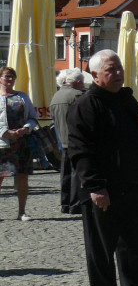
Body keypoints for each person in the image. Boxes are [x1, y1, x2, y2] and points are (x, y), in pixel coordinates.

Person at [66, 50, 138, 286]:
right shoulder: (86, 105)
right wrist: (95, 186)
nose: (118, 73)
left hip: (133, 186)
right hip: (103, 189)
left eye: (119, 68)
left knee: (136, 245)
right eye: (111, 70)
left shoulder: (126, 99)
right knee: (101, 248)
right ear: (96, 75)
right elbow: (80, 151)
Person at [0, 66, 39, 221]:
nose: (9, 79)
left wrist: (25, 128)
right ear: (0, 78)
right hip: (3, 143)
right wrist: (5, 132)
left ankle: (22, 212)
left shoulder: (22, 96)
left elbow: (32, 116)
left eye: (12, 76)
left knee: (22, 176)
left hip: (22, 142)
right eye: (6, 76)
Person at [50, 68, 87, 214]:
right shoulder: (78, 95)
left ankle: (64, 203)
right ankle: (75, 204)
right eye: (82, 83)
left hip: (62, 140)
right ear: (78, 82)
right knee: (76, 173)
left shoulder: (56, 96)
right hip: (76, 139)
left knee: (65, 173)